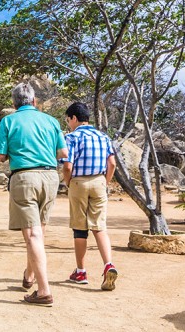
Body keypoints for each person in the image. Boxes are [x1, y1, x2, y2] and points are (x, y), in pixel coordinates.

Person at [0, 82, 67, 307]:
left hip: (25, 177)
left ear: (15, 104)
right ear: (35, 101)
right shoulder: (51, 121)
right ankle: (29, 275)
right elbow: (63, 152)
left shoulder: (9, 121)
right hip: (50, 177)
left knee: (32, 234)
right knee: (38, 232)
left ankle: (44, 291)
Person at [61, 102, 118, 291]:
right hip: (99, 181)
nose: (68, 123)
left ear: (74, 118)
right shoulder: (103, 137)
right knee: (99, 226)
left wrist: (68, 182)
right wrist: (105, 181)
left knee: (79, 228)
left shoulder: (71, 137)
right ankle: (108, 265)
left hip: (79, 182)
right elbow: (112, 163)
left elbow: (67, 165)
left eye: (68, 120)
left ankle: (81, 271)